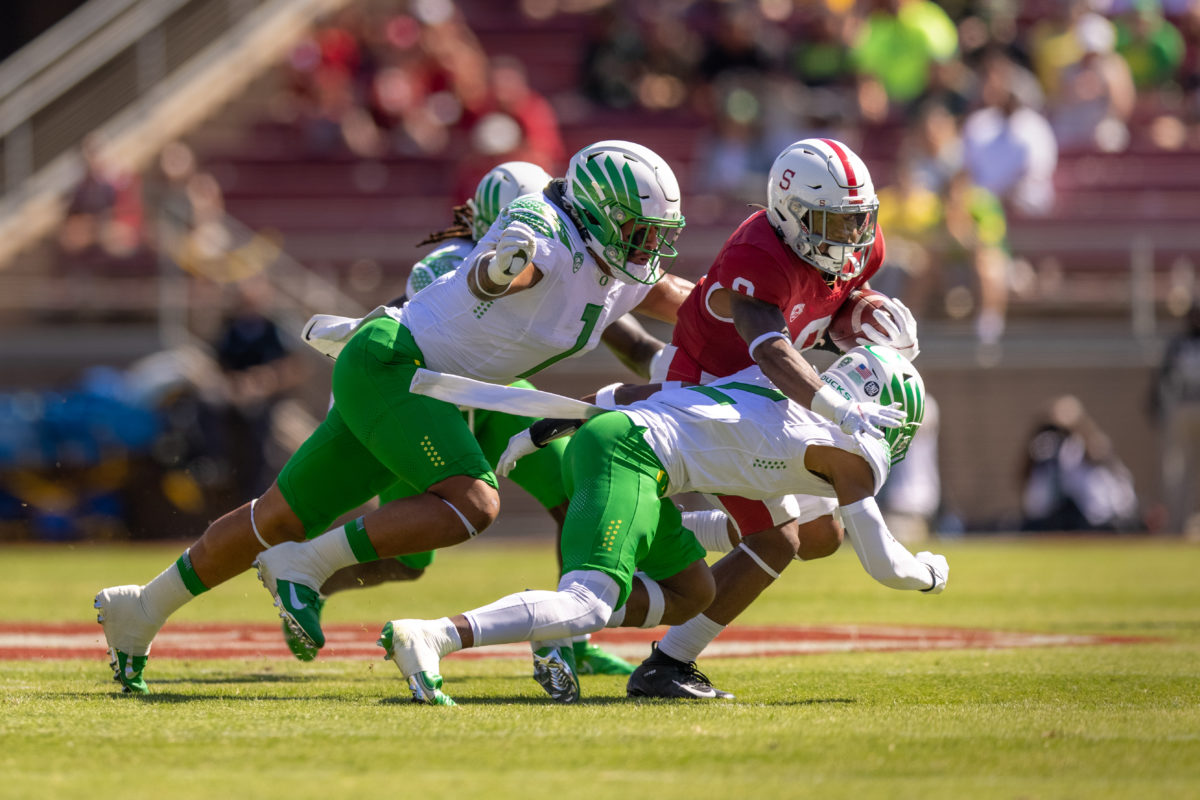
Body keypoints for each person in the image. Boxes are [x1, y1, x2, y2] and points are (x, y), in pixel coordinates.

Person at [93, 140, 692, 694]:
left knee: (277, 516)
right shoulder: (547, 227)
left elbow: (683, 299)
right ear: (594, 211)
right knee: (472, 504)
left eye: (654, 234)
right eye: (638, 231)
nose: (648, 246)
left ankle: (141, 608)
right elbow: (502, 269)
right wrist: (505, 266)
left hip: (423, 382)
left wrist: (761, 318)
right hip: (397, 366)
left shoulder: (615, 265)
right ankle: (308, 564)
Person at [384, 344, 946, 704]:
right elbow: (881, 560)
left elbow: (646, 392)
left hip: (624, 446)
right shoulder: (849, 447)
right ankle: (434, 635)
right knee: (589, 601)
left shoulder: (778, 389)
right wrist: (928, 574)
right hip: (631, 455)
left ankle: (546, 622)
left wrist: (546, 425)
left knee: (691, 590)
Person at [285, 160, 665, 676]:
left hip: (500, 401)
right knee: (409, 559)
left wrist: (694, 373)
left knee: (577, 492)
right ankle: (310, 575)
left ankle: (567, 632)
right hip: (432, 401)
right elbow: (415, 322)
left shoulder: (580, 260)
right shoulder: (453, 263)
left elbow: (633, 338)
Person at [632, 137, 918, 696]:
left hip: (769, 388)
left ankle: (658, 535)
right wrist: (837, 404)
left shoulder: (860, 243)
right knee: (776, 541)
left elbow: (829, 307)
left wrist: (863, 320)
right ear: (790, 215)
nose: (850, 238)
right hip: (709, 385)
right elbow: (771, 348)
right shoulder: (756, 253)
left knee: (820, 536)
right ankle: (668, 663)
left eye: (856, 222)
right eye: (832, 223)